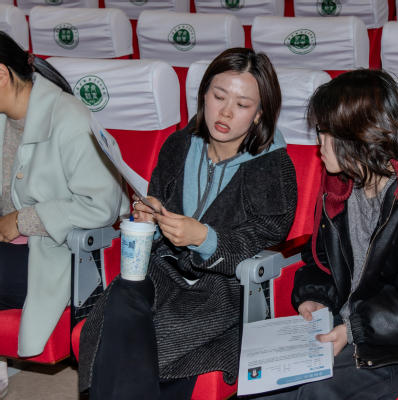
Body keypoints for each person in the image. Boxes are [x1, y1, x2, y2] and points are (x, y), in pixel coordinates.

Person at [254, 69, 398, 399]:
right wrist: (316, 297)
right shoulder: (342, 186)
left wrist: (351, 330)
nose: (319, 143)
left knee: (316, 392)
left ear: (361, 136)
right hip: (353, 325)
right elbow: (321, 259)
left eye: (327, 133)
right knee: (263, 383)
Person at [79, 48, 298, 399]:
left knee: (136, 346)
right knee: (120, 298)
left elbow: (264, 239)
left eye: (242, 105)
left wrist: (204, 238)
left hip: (223, 288)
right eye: (218, 96)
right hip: (164, 270)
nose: (225, 112)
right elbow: (157, 205)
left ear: (259, 114)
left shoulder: (273, 167)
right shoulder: (179, 145)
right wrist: (149, 218)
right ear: (203, 95)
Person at [0, 32, 129, 398]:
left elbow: (102, 204)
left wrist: (21, 220)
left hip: (59, 254)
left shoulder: (70, 118)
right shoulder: (4, 117)